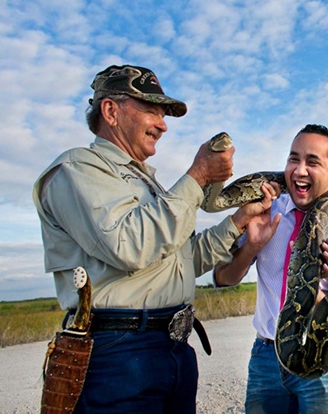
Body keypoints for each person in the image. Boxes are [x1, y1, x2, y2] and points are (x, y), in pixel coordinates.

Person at [33, 64, 276, 413]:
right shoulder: (76, 170)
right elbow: (131, 247)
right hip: (117, 354)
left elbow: (182, 261)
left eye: (164, 114)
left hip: (172, 348)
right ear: (110, 111)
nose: (162, 124)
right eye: (151, 110)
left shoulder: (150, 185)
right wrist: (198, 175)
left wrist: (239, 220)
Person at [214, 124, 328, 414]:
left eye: (312, 162)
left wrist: (317, 291)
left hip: (323, 358)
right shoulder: (264, 215)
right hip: (265, 357)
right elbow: (223, 279)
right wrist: (251, 247)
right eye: (293, 159)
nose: (299, 170)